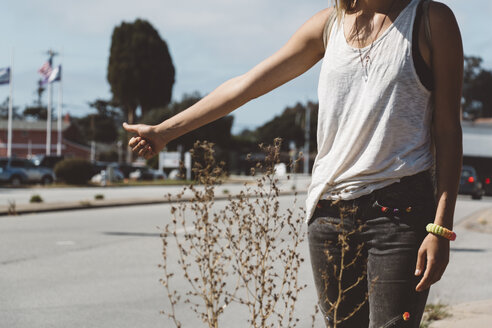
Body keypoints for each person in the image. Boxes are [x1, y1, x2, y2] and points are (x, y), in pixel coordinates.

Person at [123, 0, 463, 327]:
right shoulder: (329, 24)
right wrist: (164, 131)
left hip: (399, 214)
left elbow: (447, 130)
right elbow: (246, 85)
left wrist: (441, 228)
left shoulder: (431, 20)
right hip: (330, 216)